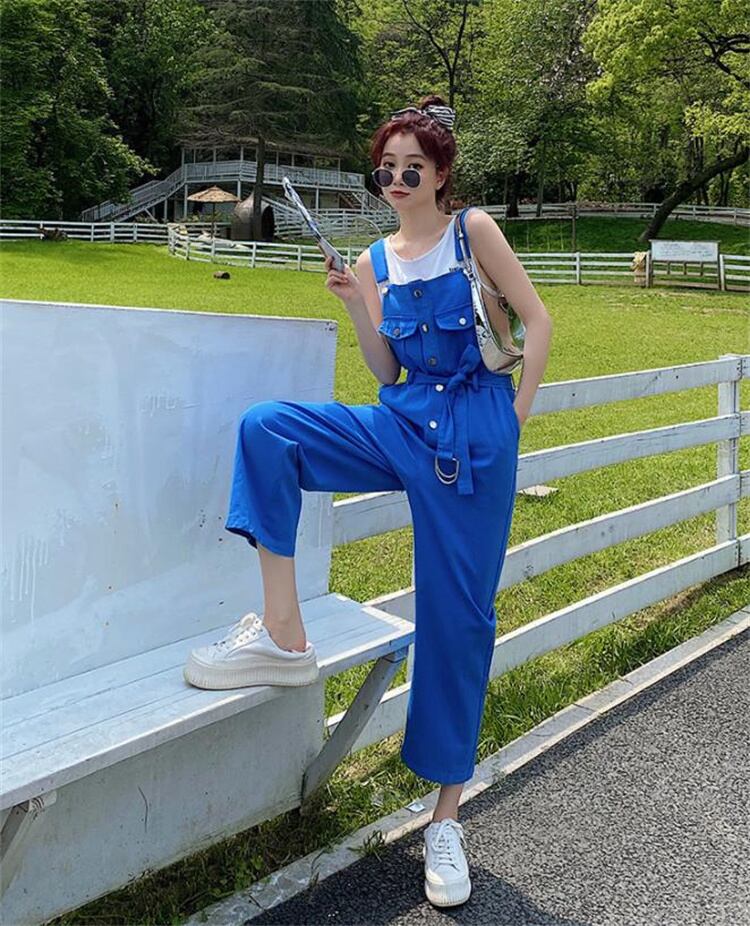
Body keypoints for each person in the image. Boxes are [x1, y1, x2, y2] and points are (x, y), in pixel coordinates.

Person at [184, 93, 553, 907]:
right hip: (403, 421)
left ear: (441, 174)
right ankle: (284, 634)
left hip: (475, 437)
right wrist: (358, 303)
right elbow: (386, 371)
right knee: (268, 430)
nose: (397, 180)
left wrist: (511, 425)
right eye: (386, 168)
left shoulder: (473, 231)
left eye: (412, 167)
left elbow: (538, 324)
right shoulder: (376, 258)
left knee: (459, 622)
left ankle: (445, 820)